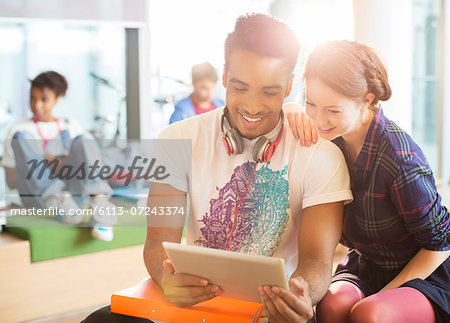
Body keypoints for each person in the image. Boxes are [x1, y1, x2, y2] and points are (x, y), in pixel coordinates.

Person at [83, 13, 353, 323]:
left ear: (289, 85)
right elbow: (158, 242)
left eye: (269, 92)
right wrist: (166, 278)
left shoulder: (320, 156)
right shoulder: (177, 138)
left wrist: (301, 293)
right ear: (224, 77)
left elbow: (318, 262)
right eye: (240, 88)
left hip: (272, 312)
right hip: (196, 307)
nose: (252, 107)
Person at [286, 40, 450, 323]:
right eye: (310, 103)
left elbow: (441, 244)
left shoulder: (400, 159)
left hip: (424, 272)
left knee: (371, 314)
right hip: (368, 263)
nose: (318, 118)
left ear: (367, 100)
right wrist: (289, 111)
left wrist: (386, 293)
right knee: (332, 307)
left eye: (333, 110)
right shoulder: (328, 142)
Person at [2, 71, 117, 241]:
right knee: (23, 136)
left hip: (76, 199)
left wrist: (58, 162)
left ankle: (100, 203)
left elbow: (83, 167)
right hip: (40, 199)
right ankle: (57, 199)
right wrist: (37, 164)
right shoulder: (18, 131)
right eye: (32, 98)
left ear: (57, 99)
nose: (36, 105)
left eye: (44, 99)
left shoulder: (70, 126)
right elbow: (11, 183)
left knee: (85, 138)